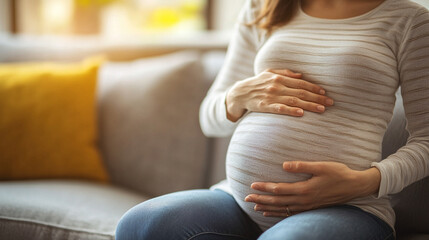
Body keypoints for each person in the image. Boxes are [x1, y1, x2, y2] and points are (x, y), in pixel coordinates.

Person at [115, 0, 429, 239]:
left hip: (349, 207)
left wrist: (364, 182)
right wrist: (237, 96)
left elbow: (426, 140)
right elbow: (208, 119)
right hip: (239, 200)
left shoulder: (410, 21)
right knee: (141, 225)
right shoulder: (265, 8)